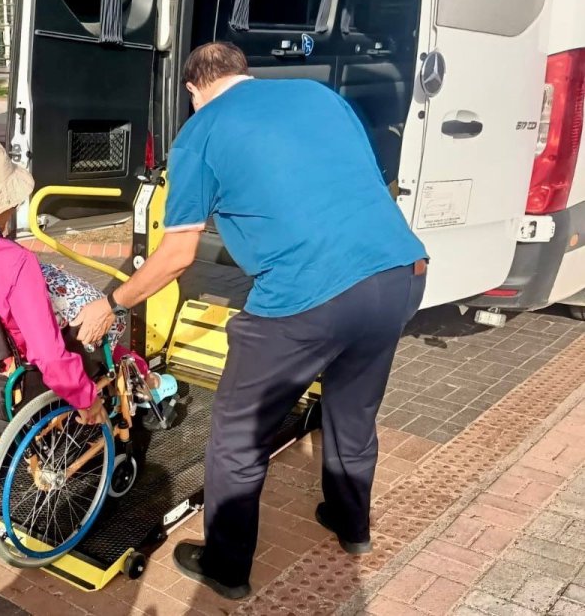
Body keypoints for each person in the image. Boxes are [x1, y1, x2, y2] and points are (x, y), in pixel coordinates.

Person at [74, 42, 428, 599]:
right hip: (400, 271)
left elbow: (176, 256)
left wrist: (114, 302)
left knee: (238, 435)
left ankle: (227, 566)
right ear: (245, 74)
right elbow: (360, 183)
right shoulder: (318, 96)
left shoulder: (200, 133)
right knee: (353, 408)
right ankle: (352, 524)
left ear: (193, 90)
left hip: (306, 296)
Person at [0, 135, 174, 429]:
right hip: (16, 366)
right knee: (100, 327)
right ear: (1, 202)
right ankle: (145, 377)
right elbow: (49, 354)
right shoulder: (14, 262)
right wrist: (86, 400)